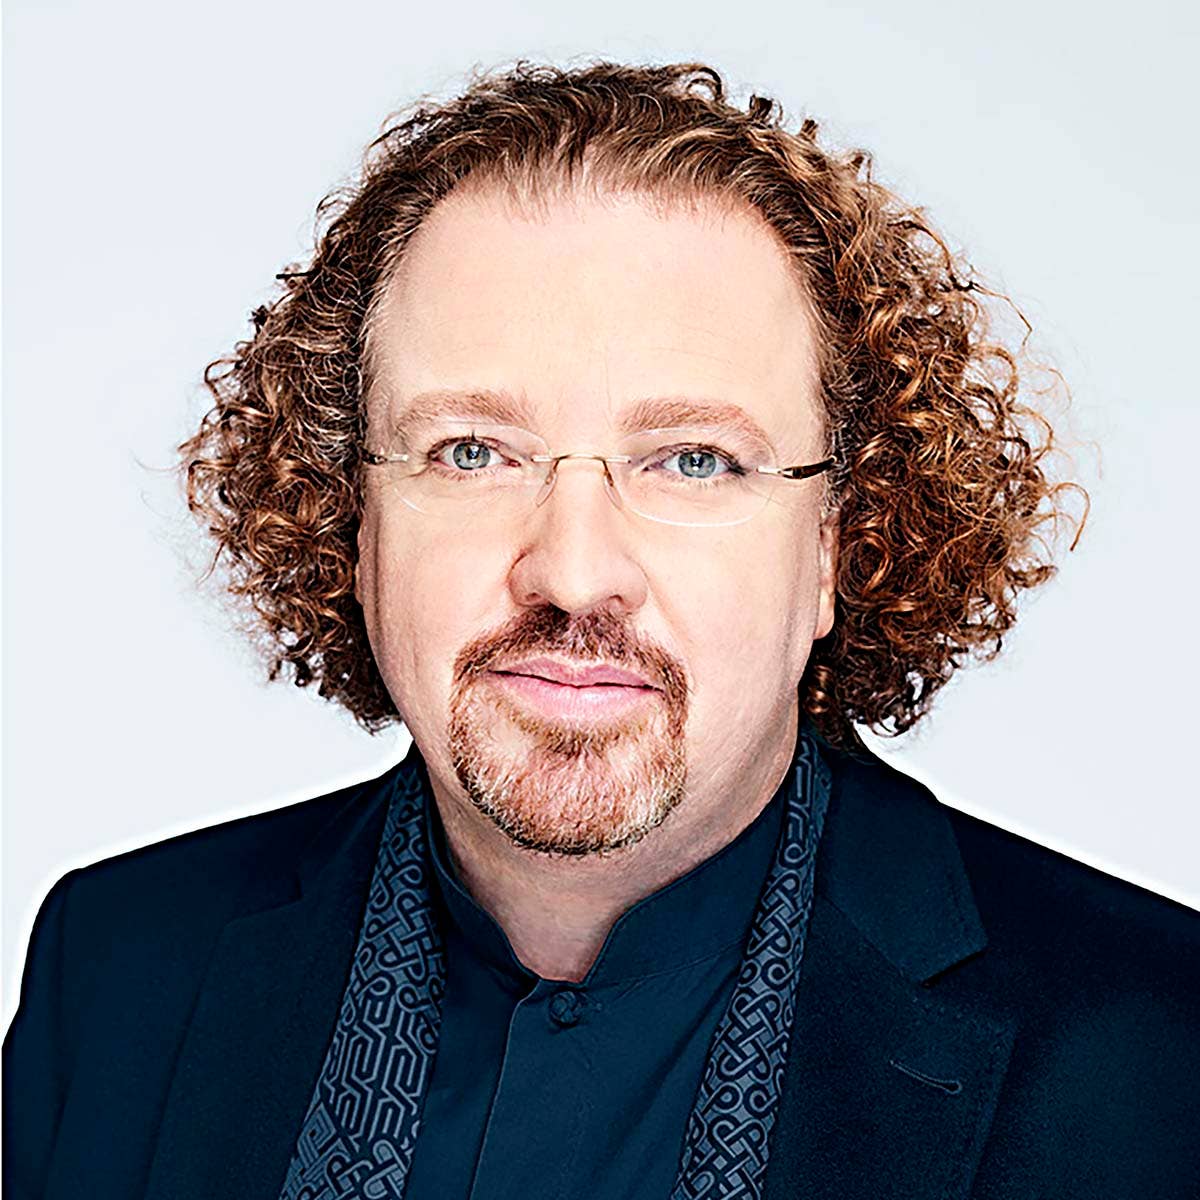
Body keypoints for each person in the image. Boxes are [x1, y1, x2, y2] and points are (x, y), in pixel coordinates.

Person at [4, 60, 1197, 1200]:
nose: (575, 572)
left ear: (838, 542)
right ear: (353, 519)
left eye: (692, 459)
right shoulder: (117, 970)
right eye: (471, 451)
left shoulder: (1157, 1055)